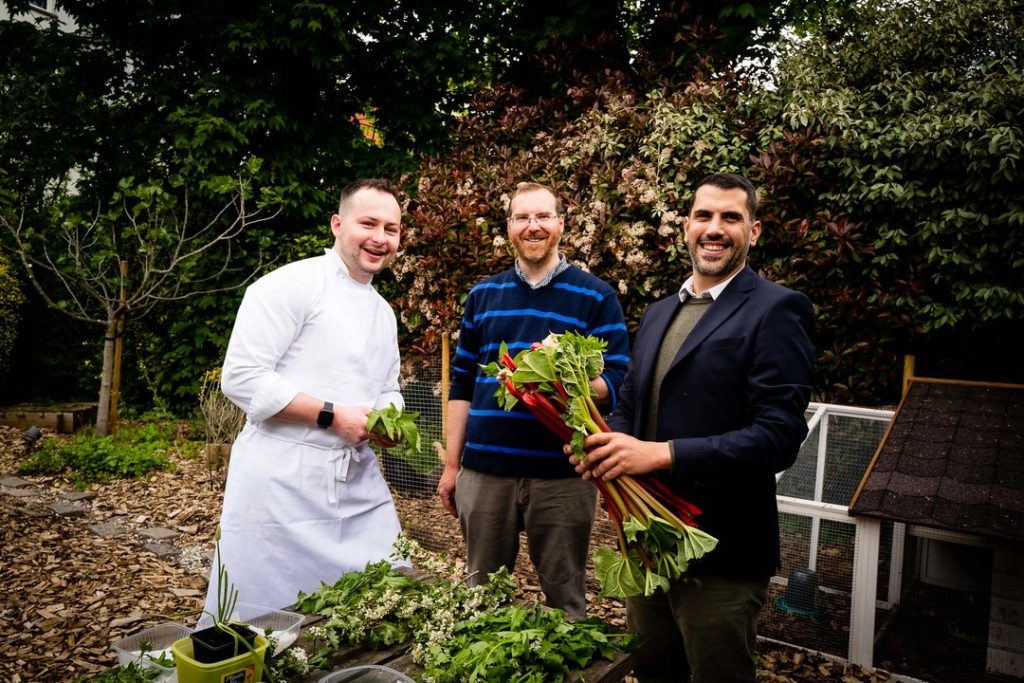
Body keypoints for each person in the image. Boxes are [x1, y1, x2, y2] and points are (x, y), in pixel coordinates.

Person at [571, 173, 815, 682]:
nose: (715, 228)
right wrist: (605, 447)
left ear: (755, 231)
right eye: (704, 215)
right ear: (686, 226)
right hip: (646, 544)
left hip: (722, 551)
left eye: (731, 217)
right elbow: (631, 404)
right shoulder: (661, 312)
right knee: (655, 672)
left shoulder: (777, 309)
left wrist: (663, 454)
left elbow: (779, 436)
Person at [203, 179, 407, 613]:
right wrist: (334, 417)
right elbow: (241, 377)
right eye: (367, 223)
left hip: (356, 485)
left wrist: (388, 420)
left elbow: (388, 386)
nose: (379, 238)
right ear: (337, 224)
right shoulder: (288, 286)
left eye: (391, 229)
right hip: (279, 488)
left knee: (379, 596)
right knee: (265, 618)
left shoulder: (383, 313)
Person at [437, 182, 630, 618]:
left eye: (543, 216)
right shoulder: (484, 296)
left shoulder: (596, 296)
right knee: (482, 597)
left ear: (561, 224)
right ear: (510, 228)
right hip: (485, 472)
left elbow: (616, 379)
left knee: (566, 599)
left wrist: (562, 377)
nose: (533, 226)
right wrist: (453, 466)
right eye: (522, 217)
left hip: (562, 475)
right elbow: (462, 383)